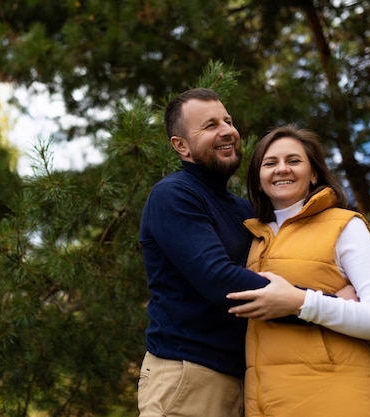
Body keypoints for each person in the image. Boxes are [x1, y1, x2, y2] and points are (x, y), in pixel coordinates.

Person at [136, 89, 342, 417]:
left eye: (228, 121)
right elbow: (220, 280)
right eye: (210, 125)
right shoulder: (173, 196)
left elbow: (285, 267)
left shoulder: (243, 210)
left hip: (248, 381)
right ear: (181, 146)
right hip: (189, 377)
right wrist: (326, 305)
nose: (227, 131)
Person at [226, 124, 370, 417]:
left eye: (294, 161)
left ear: (313, 174)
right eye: (270, 163)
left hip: (339, 400)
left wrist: (303, 302)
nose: (281, 169)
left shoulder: (345, 226)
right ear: (258, 180)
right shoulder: (253, 238)